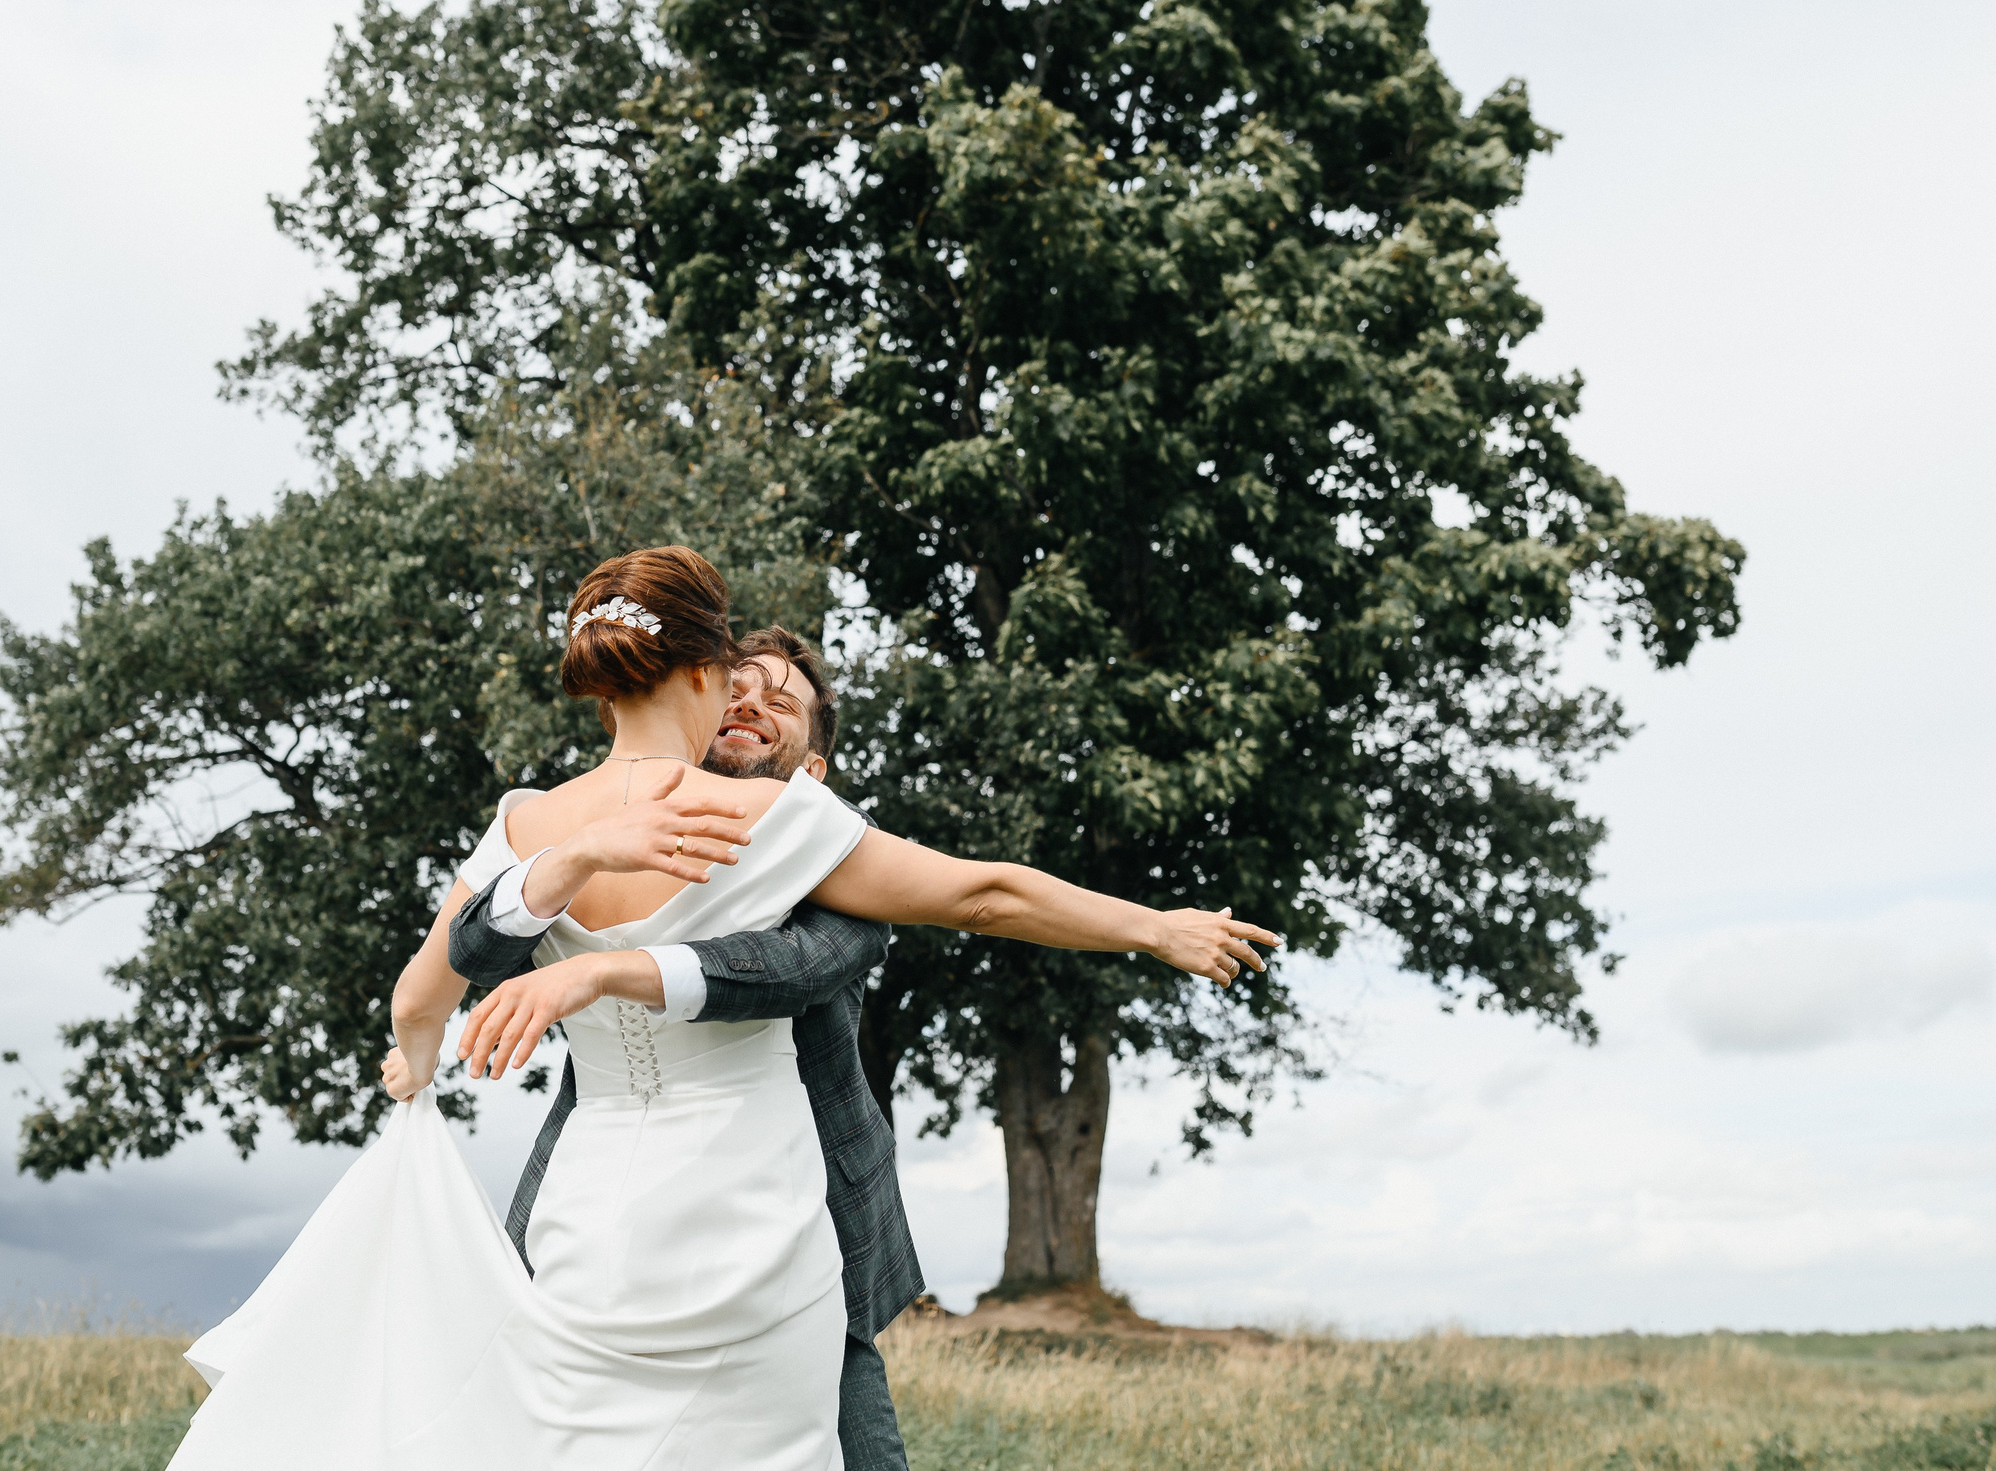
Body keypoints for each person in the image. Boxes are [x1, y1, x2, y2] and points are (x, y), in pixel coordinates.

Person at [169, 547, 1277, 1471]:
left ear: (608, 679)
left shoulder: (527, 826)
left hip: (592, 1215)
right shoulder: (768, 815)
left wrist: (414, 1069)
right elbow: (984, 891)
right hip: (751, 1213)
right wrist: (1153, 923)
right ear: (703, 667)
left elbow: (422, 993)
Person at [445, 626, 917, 1470]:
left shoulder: (835, 850)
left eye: (783, 703)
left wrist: (611, 971)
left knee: (860, 1446)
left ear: (813, 771)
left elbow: (803, 964)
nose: (751, 704)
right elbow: (468, 950)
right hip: (610, 1214)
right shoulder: (603, 830)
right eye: (739, 688)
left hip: (798, 1225)